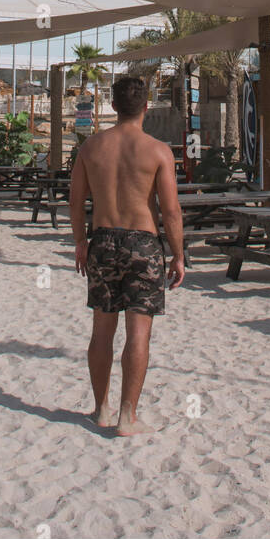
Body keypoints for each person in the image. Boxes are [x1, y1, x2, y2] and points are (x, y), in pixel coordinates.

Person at [69, 75, 185, 436]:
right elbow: (171, 212)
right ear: (146, 107)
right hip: (143, 243)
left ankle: (101, 408)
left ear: (113, 106)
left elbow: (75, 201)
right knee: (139, 333)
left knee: (102, 330)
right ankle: (127, 416)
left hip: (102, 239)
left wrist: (80, 243)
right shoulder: (158, 151)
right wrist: (179, 255)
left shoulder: (90, 147)